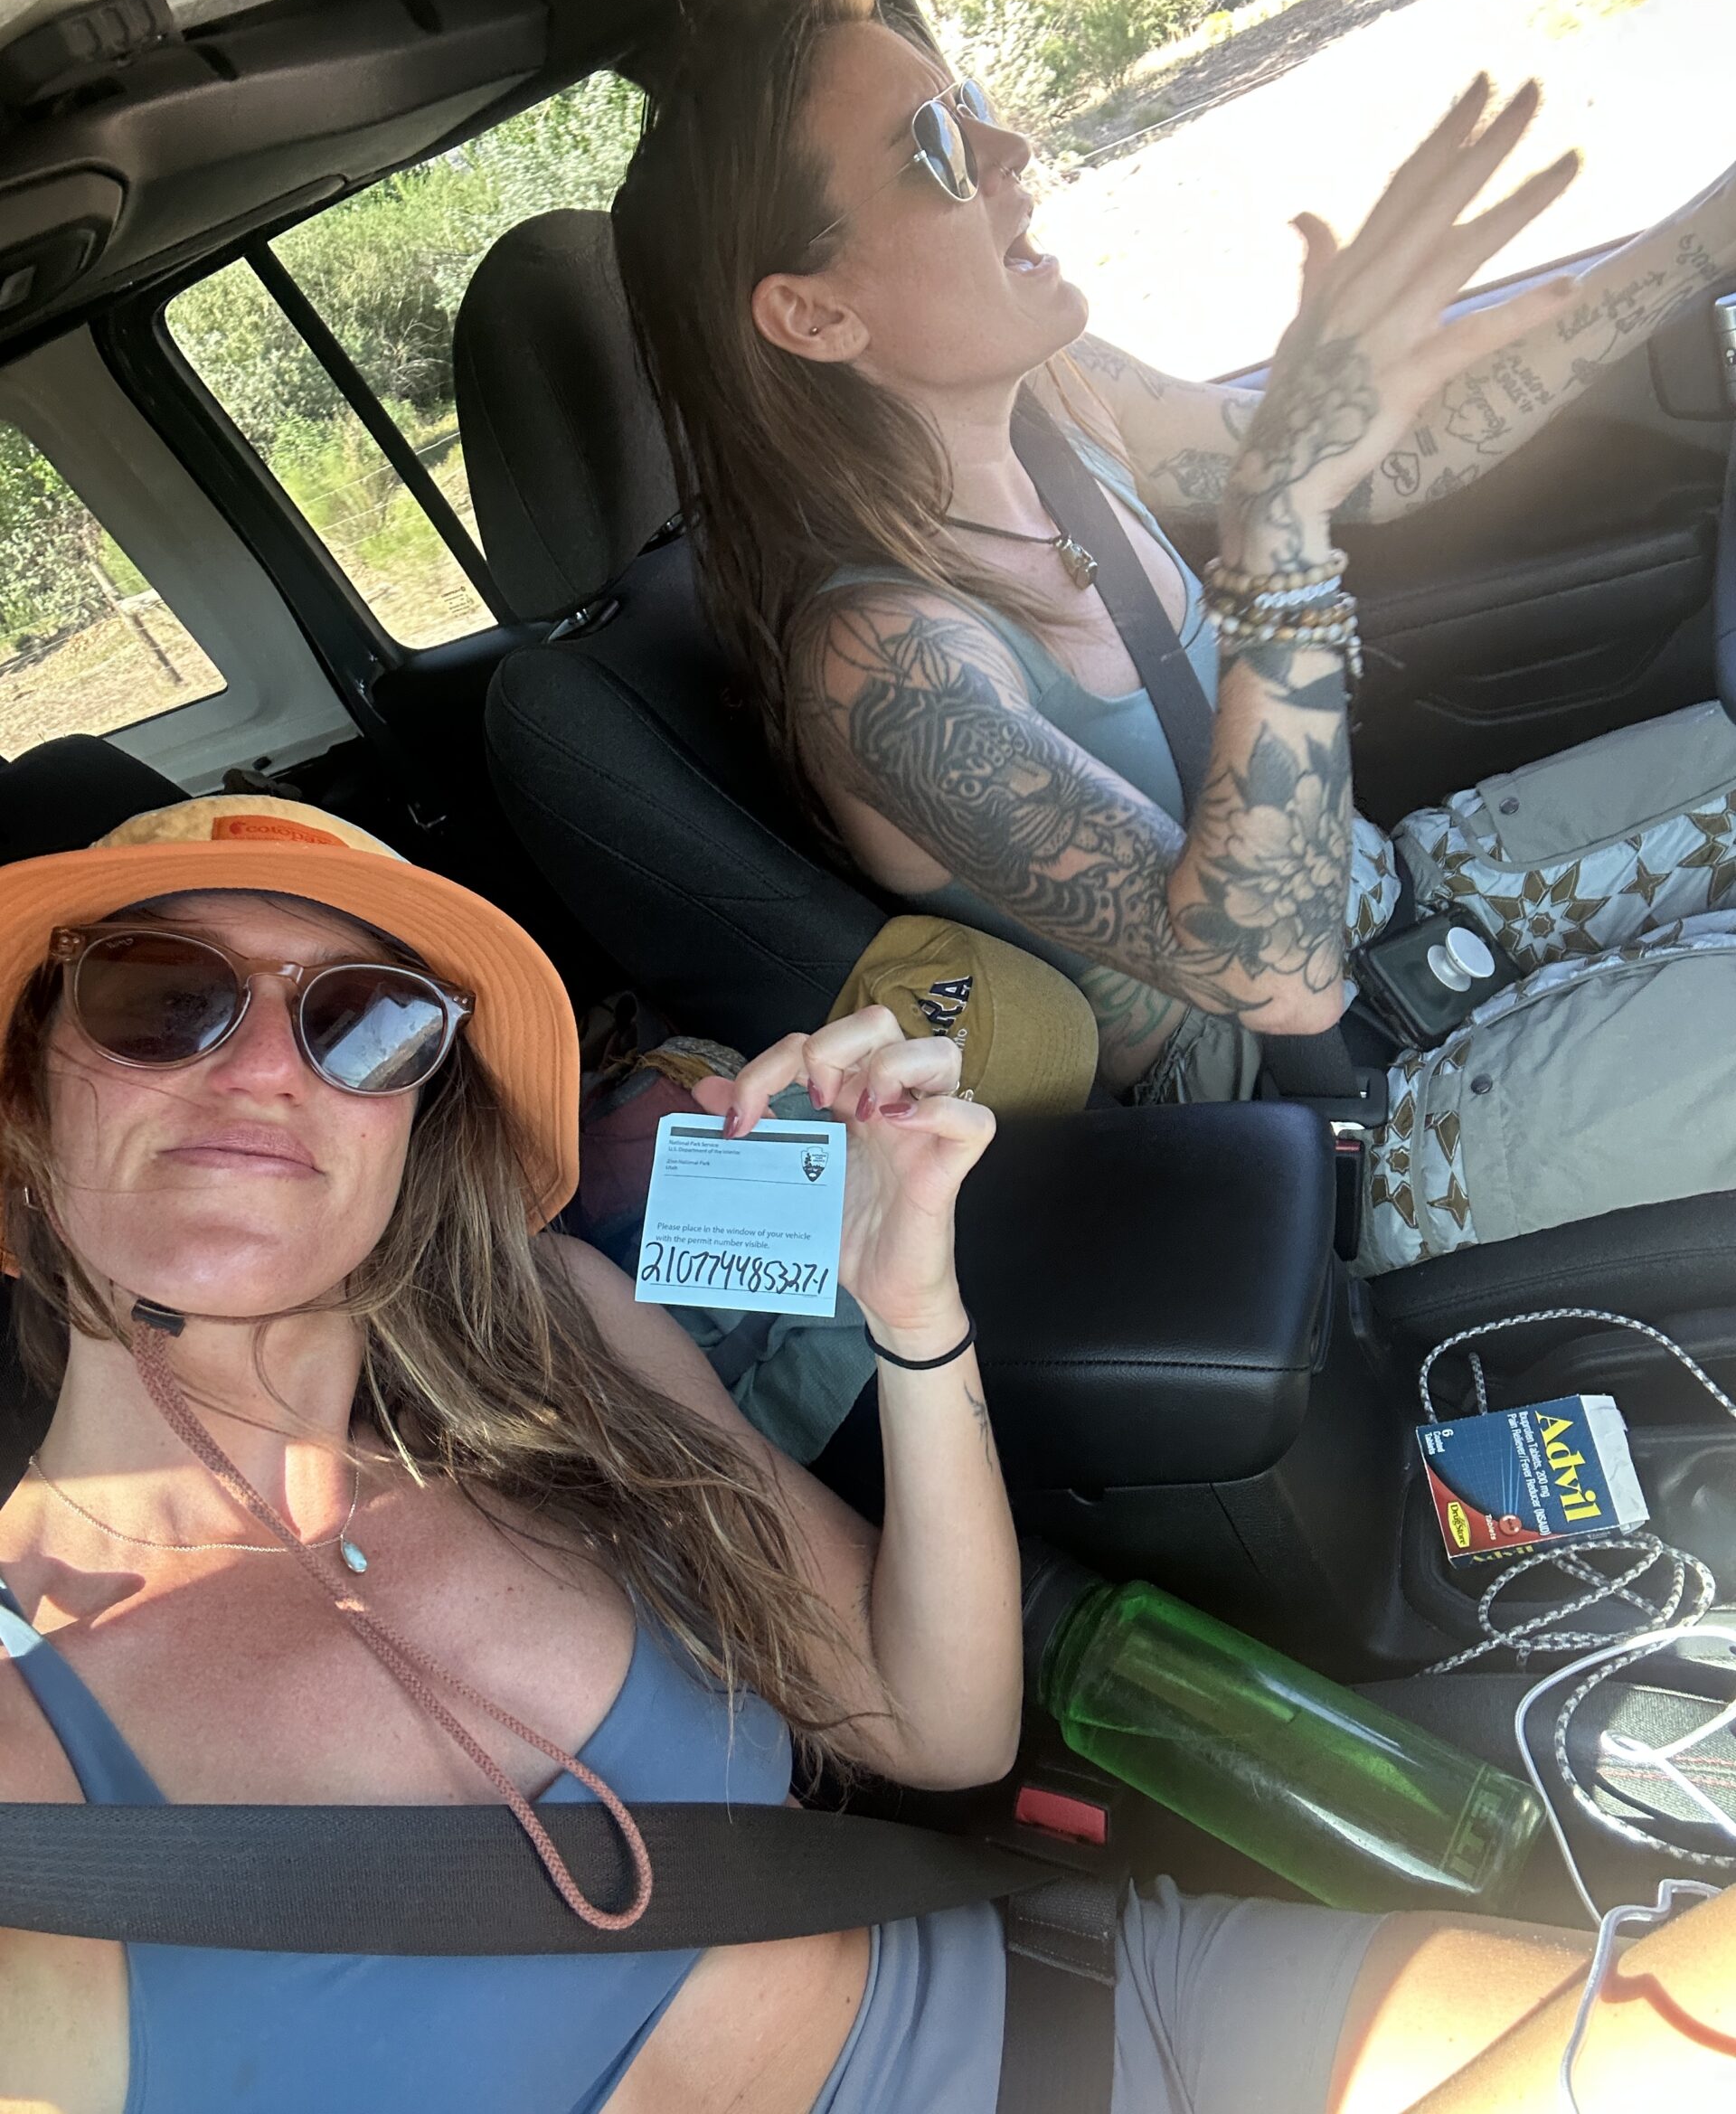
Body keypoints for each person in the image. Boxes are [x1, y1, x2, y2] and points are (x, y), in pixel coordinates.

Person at [3, 790, 1736, 2114]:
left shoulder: (552, 1335)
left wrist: (912, 1304)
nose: (264, 1068)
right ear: (24, 1103)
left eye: (364, 1020)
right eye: (163, 999)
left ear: (410, 1124)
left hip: (1097, 2017)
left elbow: (934, 1722)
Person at [614, 0, 1736, 1277]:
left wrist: (1709, 233)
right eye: (936, 148)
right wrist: (1279, 528)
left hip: (1403, 899)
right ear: (815, 315)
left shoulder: (1062, 398)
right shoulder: (880, 663)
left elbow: (1396, 458)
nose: (1009, 146)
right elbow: (1274, 976)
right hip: (1333, 1125)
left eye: (969, 100)